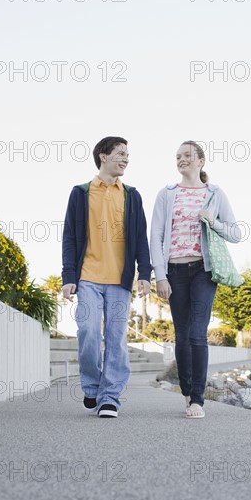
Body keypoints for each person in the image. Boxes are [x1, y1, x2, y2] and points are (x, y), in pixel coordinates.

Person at [150, 140, 242, 419]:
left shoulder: (214, 194)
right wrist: (160, 276)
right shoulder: (166, 194)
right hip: (174, 272)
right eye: (177, 156)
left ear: (201, 161)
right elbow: (155, 237)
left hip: (203, 270)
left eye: (187, 155)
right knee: (181, 336)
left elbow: (236, 233)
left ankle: (198, 400)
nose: (181, 160)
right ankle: (187, 392)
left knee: (197, 333)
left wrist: (212, 221)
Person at [61, 136, 151, 418]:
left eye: (128, 154)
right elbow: (70, 238)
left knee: (116, 338)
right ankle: (91, 386)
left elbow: (140, 238)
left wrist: (144, 273)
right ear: (103, 156)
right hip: (88, 276)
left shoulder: (132, 195)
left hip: (120, 281)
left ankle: (110, 397)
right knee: (88, 331)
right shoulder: (81, 192)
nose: (126, 159)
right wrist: (68, 275)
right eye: (121, 153)